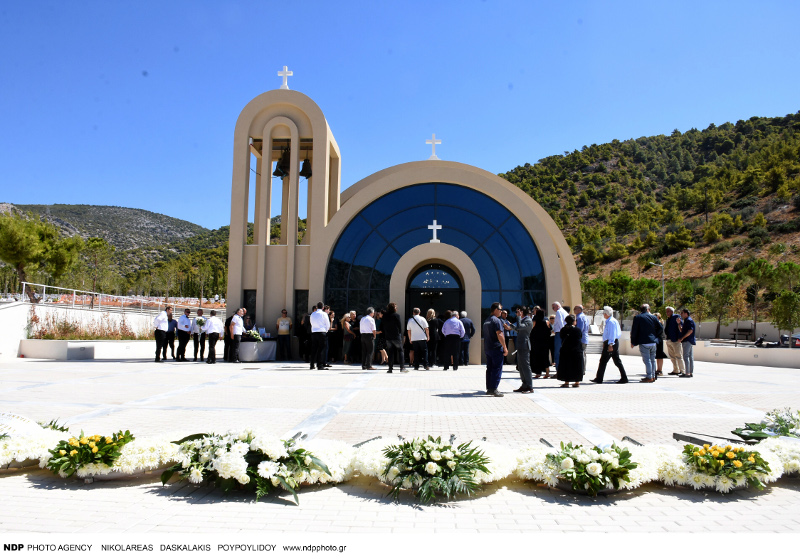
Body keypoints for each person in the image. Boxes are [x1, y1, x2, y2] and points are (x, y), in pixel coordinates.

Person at [590, 306, 628, 384]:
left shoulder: (611, 322)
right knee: (617, 361)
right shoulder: (610, 321)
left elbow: (612, 334)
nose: (603, 314)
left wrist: (610, 344)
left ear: (607, 314)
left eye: (604, 313)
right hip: (611, 342)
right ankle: (624, 378)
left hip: (611, 343)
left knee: (603, 361)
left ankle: (599, 378)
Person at [630, 304, 663, 383]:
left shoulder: (638, 317)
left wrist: (633, 342)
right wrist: (655, 336)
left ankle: (649, 377)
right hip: (653, 342)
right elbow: (660, 328)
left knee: (647, 360)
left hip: (644, 342)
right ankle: (653, 376)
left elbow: (634, 331)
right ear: (648, 309)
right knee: (652, 360)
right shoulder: (653, 317)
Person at [483, 302, 508, 397]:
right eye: (500, 310)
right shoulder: (496, 320)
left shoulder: (487, 320)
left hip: (488, 348)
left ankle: (489, 388)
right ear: (496, 310)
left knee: (489, 369)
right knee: (497, 368)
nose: (501, 312)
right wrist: (505, 347)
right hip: (496, 348)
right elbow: (500, 334)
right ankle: (493, 388)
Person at [557, 315, 584, 388]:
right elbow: (580, 337)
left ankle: (566, 382)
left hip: (566, 350)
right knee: (577, 366)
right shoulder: (577, 330)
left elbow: (561, 337)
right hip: (576, 350)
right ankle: (577, 382)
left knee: (566, 366)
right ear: (574, 321)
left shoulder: (563, 329)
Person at [513, 306, 534, 393]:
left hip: (525, 346)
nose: (516, 313)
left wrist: (518, 317)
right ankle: (524, 385)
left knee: (525, 366)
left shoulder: (528, 320)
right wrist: (510, 326)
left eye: (518, 312)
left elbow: (519, 327)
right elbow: (518, 329)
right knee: (521, 367)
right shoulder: (523, 320)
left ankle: (530, 386)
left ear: (522, 312)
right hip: (520, 346)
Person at [382, 302, 407, 373]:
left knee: (390, 352)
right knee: (400, 351)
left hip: (388, 336)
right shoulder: (396, 315)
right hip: (396, 336)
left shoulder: (385, 316)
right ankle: (402, 367)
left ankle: (390, 368)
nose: (396, 308)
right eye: (396, 307)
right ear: (394, 308)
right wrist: (400, 334)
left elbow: (383, 325)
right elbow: (399, 326)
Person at [530, 307, 552, 379]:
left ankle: (538, 373)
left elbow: (532, 328)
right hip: (545, 341)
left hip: (536, 341)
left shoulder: (535, 320)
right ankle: (547, 373)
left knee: (537, 356)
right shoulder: (546, 320)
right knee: (545, 357)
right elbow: (550, 329)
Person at [309, 302, 331, 371]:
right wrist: (326, 331)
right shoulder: (324, 314)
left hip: (314, 332)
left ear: (316, 307)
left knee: (314, 349)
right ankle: (320, 365)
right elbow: (327, 324)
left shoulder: (313, 314)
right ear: (323, 307)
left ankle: (312, 365)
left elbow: (311, 323)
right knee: (321, 349)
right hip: (321, 332)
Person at [664, 307, 685, 376]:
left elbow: (680, 327)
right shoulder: (668, 319)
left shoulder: (676, 317)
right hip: (669, 339)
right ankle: (676, 370)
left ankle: (682, 371)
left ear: (672, 312)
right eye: (666, 311)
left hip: (676, 340)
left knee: (678, 356)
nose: (667, 313)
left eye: (668, 311)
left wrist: (680, 337)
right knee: (672, 356)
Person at [678, 309, 696, 378]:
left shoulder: (689, 321)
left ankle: (687, 373)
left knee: (686, 357)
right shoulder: (686, 321)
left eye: (682, 313)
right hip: (689, 340)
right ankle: (690, 372)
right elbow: (682, 330)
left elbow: (690, 331)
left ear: (686, 313)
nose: (681, 314)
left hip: (687, 341)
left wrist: (682, 338)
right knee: (690, 357)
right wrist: (679, 323)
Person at [574, 304, 590, 376]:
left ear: (579, 310)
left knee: (581, 355)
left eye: (575, 308)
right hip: (584, 338)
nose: (574, 310)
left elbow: (579, 330)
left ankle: (581, 369)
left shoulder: (580, 317)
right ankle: (583, 369)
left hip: (581, 339)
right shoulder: (584, 317)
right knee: (583, 354)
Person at [551, 302, 568, 369]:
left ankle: (558, 368)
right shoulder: (565, 312)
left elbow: (561, 323)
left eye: (553, 307)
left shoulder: (559, 312)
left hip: (559, 333)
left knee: (557, 352)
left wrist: (562, 331)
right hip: (563, 333)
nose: (553, 309)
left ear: (557, 306)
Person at [654, 312, 667, 377]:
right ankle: (658, 369)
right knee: (657, 356)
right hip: (657, 340)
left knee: (660, 355)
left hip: (659, 340)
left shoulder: (659, 323)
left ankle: (660, 369)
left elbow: (659, 331)